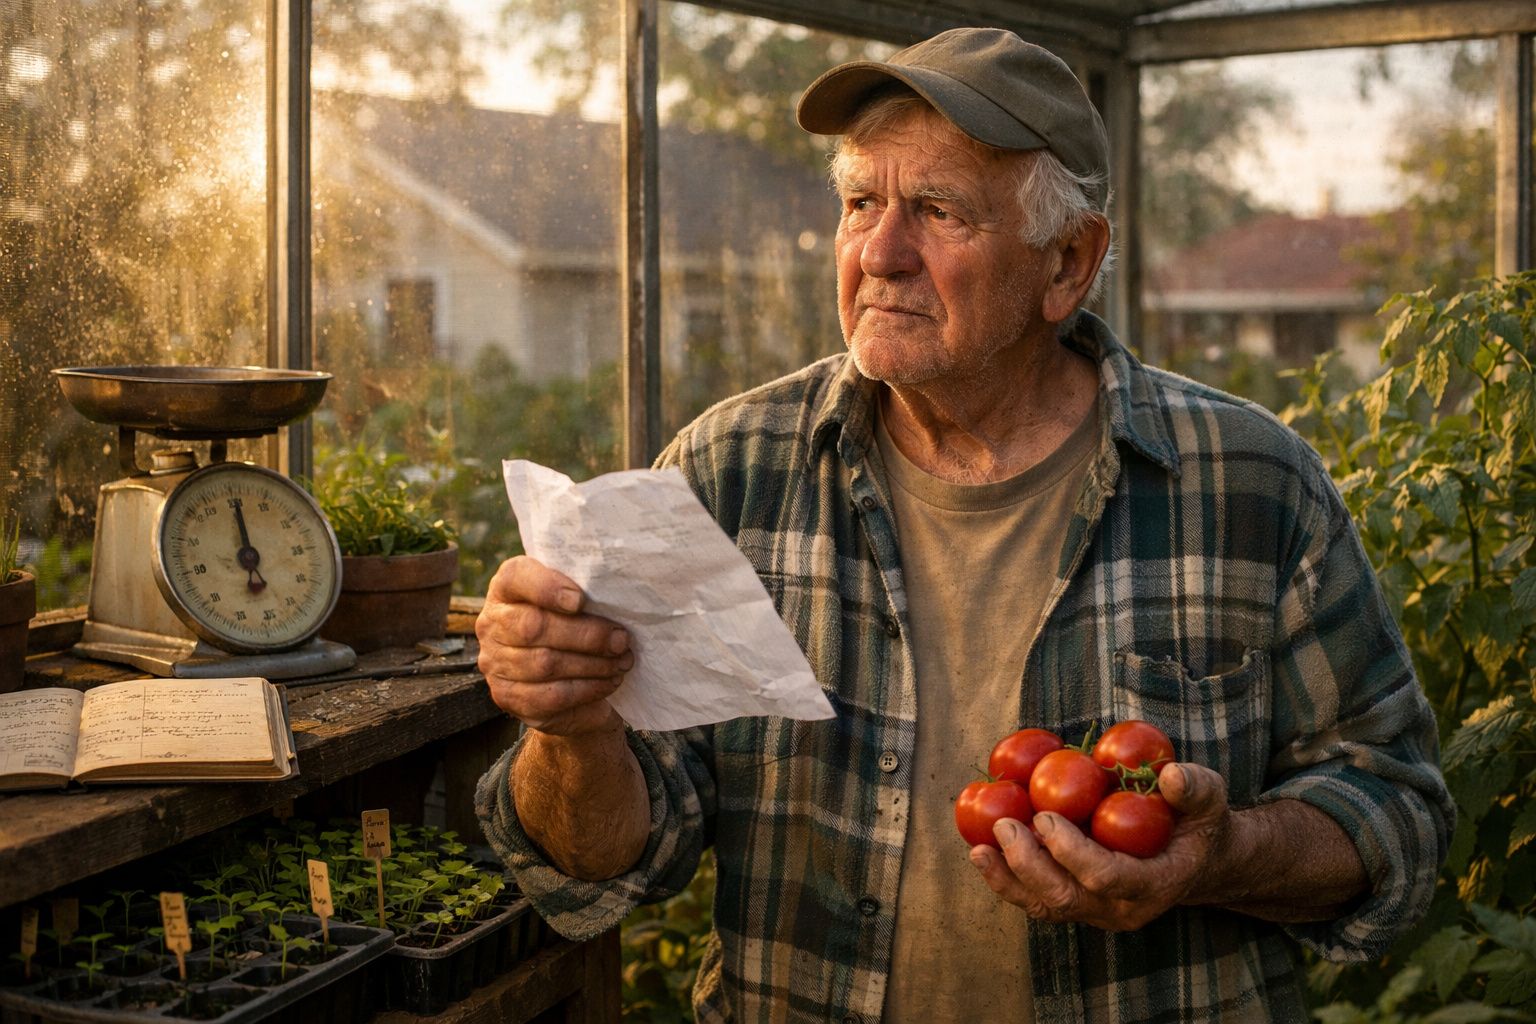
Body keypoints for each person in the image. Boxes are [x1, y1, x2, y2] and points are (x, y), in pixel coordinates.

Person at [474, 27, 1453, 1024]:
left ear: (1067, 263)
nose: (880, 254)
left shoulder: (1248, 483)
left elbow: (1399, 818)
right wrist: (573, 727)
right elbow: (613, 858)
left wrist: (1222, 855)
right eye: (861, 203)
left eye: (939, 212)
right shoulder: (730, 474)